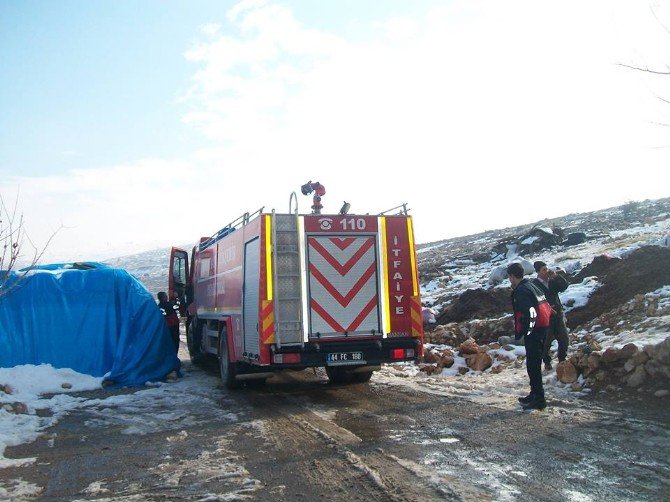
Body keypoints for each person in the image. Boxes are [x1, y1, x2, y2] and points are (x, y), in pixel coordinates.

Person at [507, 262, 552, 410]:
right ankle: (534, 394)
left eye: (510, 278)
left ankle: (539, 399)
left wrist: (528, 331)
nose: (510, 281)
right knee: (534, 363)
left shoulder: (521, 291)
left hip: (535, 331)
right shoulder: (532, 285)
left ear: (512, 276)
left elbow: (530, 312)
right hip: (543, 328)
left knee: (533, 364)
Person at [532, 261, 570, 371]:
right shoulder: (534, 285)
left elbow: (564, 286)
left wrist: (557, 276)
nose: (546, 271)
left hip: (558, 313)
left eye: (547, 269)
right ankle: (547, 361)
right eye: (543, 270)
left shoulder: (552, 281)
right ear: (538, 272)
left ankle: (562, 359)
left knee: (564, 338)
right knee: (546, 341)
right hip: (545, 317)